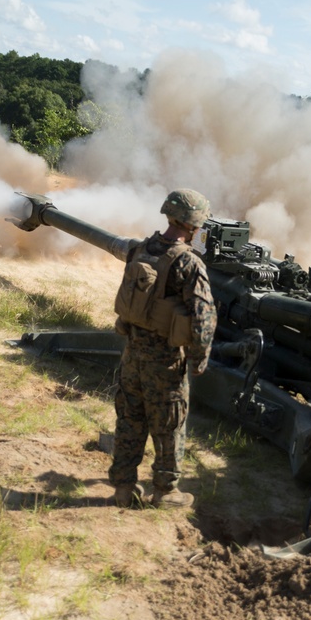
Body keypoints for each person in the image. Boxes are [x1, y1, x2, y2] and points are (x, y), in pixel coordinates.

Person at [108, 189, 217, 508]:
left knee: (130, 418)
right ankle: (165, 492)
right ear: (194, 225)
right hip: (166, 361)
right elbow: (202, 318)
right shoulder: (188, 262)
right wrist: (199, 358)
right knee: (169, 423)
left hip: (132, 355)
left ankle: (124, 489)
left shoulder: (140, 250)